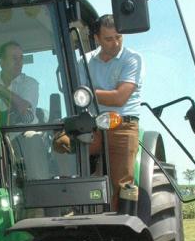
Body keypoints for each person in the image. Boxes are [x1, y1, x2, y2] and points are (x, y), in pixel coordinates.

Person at [54, 14, 144, 209]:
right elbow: (75, 96)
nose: (115, 43)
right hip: (92, 125)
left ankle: (123, 226)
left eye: (119, 37)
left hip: (122, 125)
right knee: (61, 143)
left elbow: (120, 97)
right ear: (96, 38)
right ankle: (70, 201)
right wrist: (84, 96)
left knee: (122, 184)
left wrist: (87, 94)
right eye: (109, 39)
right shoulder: (83, 61)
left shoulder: (133, 59)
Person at [0, 41, 39, 125]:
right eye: (14, 58)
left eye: (21, 58)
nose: (19, 63)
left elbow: (24, 111)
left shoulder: (30, 83)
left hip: (25, 132)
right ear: (1, 62)